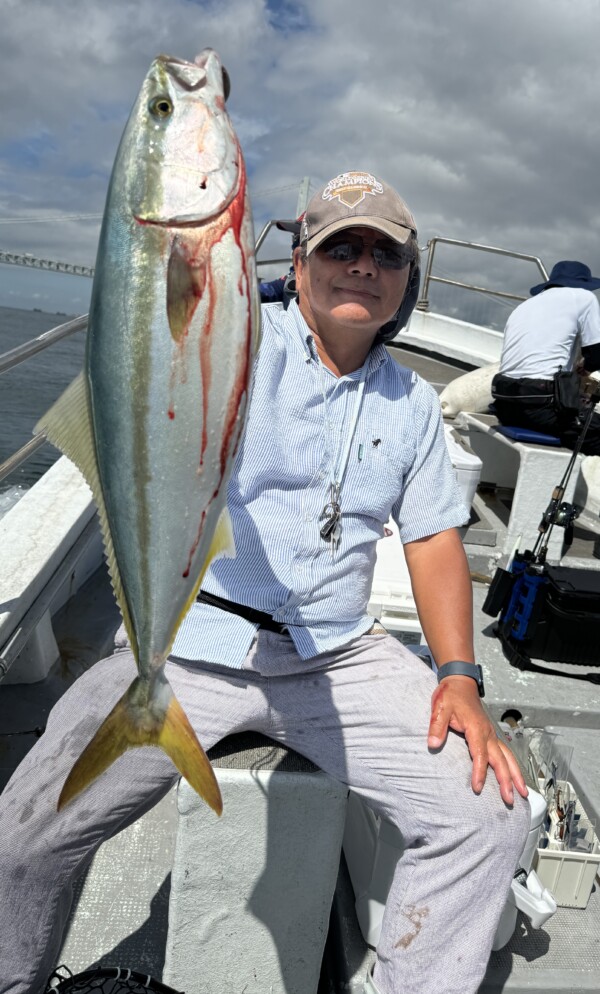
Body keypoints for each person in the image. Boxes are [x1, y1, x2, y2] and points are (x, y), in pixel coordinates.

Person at [0, 170, 529, 994]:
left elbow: (431, 541)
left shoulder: (415, 405)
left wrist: (457, 676)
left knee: (488, 817)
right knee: (23, 839)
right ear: (301, 260)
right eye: (340, 248)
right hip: (187, 638)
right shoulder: (236, 338)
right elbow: (166, 311)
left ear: (407, 278)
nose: (362, 266)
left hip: (338, 658)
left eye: (383, 253)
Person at [492, 260, 600, 454]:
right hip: (542, 406)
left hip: (504, 405)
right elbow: (597, 356)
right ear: (584, 284)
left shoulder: (526, 305)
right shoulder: (584, 297)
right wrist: (588, 365)